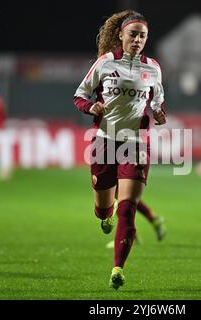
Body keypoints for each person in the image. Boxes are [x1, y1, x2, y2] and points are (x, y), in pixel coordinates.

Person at [73, 10, 166, 289]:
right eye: (133, 34)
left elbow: (157, 101)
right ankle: (105, 214)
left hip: (136, 143)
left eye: (143, 36)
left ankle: (117, 268)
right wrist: (92, 106)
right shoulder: (104, 63)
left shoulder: (153, 68)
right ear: (121, 35)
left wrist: (160, 113)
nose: (138, 40)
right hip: (103, 141)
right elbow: (80, 95)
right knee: (104, 210)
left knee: (128, 207)